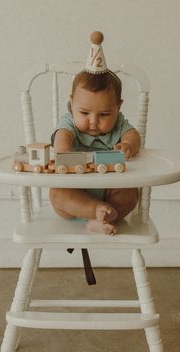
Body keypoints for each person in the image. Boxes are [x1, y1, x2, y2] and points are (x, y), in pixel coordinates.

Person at [49, 32, 141, 235]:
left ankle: (103, 218)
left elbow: (134, 136)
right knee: (57, 194)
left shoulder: (118, 124)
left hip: (109, 187)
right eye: (84, 112)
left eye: (104, 114)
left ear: (118, 107)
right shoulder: (69, 122)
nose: (93, 121)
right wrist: (63, 152)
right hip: (74, 189)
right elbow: (62, 136)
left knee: (131, 194)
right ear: (72, 103)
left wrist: (128, 145)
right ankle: (95, 211)